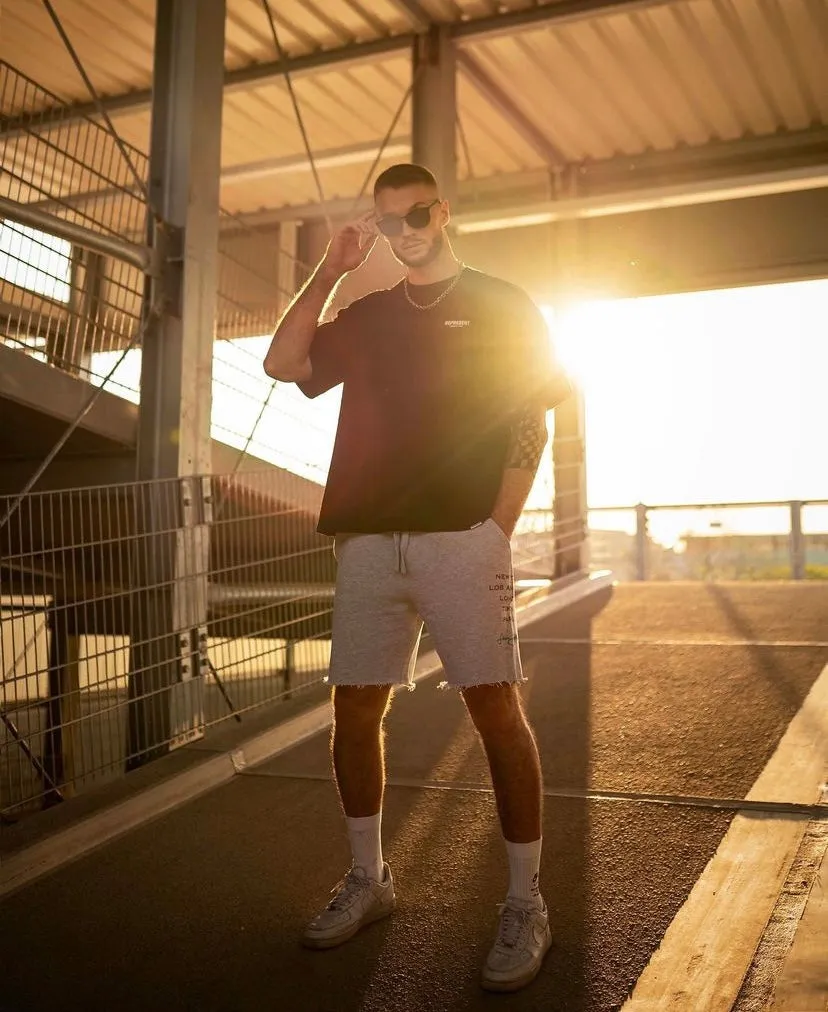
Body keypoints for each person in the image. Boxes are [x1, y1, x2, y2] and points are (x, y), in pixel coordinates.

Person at [263, 163, 571, 993]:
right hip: (368, 541)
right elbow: (281, 363)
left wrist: (494, 529)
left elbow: (530, 417)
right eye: (388, 220)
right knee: (354, 710)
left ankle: (524, 901)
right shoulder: (364, 313)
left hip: (461, 541)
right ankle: (370, 880)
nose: (404, 231)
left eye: (417, 214)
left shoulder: (505, 303)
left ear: (446, 212)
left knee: (496, 711)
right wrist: (330, 270)